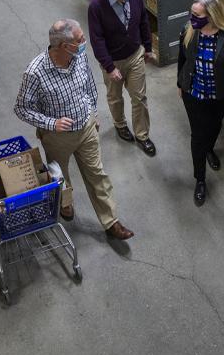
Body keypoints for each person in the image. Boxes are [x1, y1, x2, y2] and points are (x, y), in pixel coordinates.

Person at [14, 18, 135, 240]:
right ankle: (65, 203)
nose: (84, 42)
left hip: (86, 128)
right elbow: (21, 109)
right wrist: (52, 123)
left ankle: (111, 221)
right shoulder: (35, 73)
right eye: (80, 40)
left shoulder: (79, 58)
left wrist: (93, 113)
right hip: (57, 137)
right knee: (60, 177)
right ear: (63, 46)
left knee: (97, 174)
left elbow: (89, 85)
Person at [176, 0, 224, 207]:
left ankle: (209, 148)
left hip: (219, 96)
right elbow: (183, 58)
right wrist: (180, 84)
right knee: (197, 135)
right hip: (194, 93)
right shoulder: (188, 30)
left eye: (197, 15)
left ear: (212, 16)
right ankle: (200, 179)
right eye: (192, 13)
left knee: (214, 126)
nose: (192, 18)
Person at [87, 0, 156, 156]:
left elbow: (143, 21)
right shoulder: (97, 6)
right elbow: (97, 40)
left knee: (139, 98)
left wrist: (148, 48)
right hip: (113, 60)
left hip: (135, 55)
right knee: (115, 98)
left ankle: (142, 135)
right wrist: (109, 67)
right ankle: (120, 125)